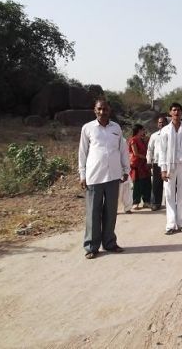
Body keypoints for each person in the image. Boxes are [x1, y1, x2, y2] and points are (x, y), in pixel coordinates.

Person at [78, 97, 129, 259]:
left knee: (111, 212)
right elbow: (82, 153)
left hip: (114, 176)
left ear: (109, 110)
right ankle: (91, 246)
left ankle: (109, 243)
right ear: (95, 110)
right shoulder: (87, 128)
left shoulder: (116, 128)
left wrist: (125, 168)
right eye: (99, 109)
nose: (102, 112)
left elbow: (122, 150)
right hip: (94, 177)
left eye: (105, 109)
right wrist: (82, 174)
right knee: (93, 213)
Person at [159, 102, 182, 234]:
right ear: (170, 113)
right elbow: (162, 151)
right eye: (174, 110)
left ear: (181, 112)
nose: (176, 112)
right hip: (169, 165)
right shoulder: (165, 130)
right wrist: (162, 168)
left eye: (179, 110)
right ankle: (171, 223)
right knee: (169, 194)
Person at [147, 115, 167, 211]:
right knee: (156, 184)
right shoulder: (154, 136)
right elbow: (150, 149)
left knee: (170, 184)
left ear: (167, 123)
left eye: (163, 122)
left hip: (169, 163)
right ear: (157, 124)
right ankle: (155, 203)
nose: (161, 124)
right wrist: (148, 161)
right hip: (157, 163)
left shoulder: (171, 134)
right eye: (160, 122)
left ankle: (170, 203)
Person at [128, 124, 151, 210]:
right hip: (137, 165)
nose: (144, 131)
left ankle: (146, 201)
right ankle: (136, 202)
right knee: (137, 184)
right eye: (142, 130)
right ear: (139, 130)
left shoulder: (142, 140)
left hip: (144, 164)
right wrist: (146, 157)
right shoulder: (133, 140)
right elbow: (136, 153)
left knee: (147, 182)